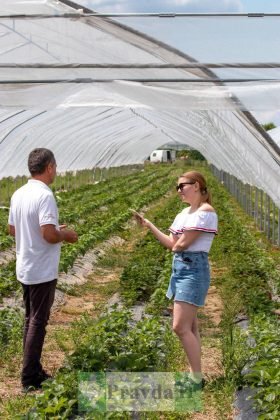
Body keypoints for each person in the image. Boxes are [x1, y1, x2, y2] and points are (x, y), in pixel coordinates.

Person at [133, 170, 218, 388]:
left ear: (197, 185)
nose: (179, 190)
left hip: (193, 270)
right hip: (180, 268)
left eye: (182, 186)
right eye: (177, 187)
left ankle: (196, 379)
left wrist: (178, 243)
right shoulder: (183, 213)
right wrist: (150, 225)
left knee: (180, 327)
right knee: (190, 326)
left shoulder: (206, 212)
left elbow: (181, 244)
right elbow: (173, 245)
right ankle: (195, 376)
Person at [8, 148, 78, 391]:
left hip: (25, 265)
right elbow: (48, 234)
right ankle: (29, 377)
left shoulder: (19, 193)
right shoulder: (45, 195)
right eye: (55, 168)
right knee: (38, 320)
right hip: (41, 268)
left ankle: (33, 368)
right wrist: (65, 234)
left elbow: (13, 230)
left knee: (31, 318)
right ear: (49, 167)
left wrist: (43, 231)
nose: (55, 172)